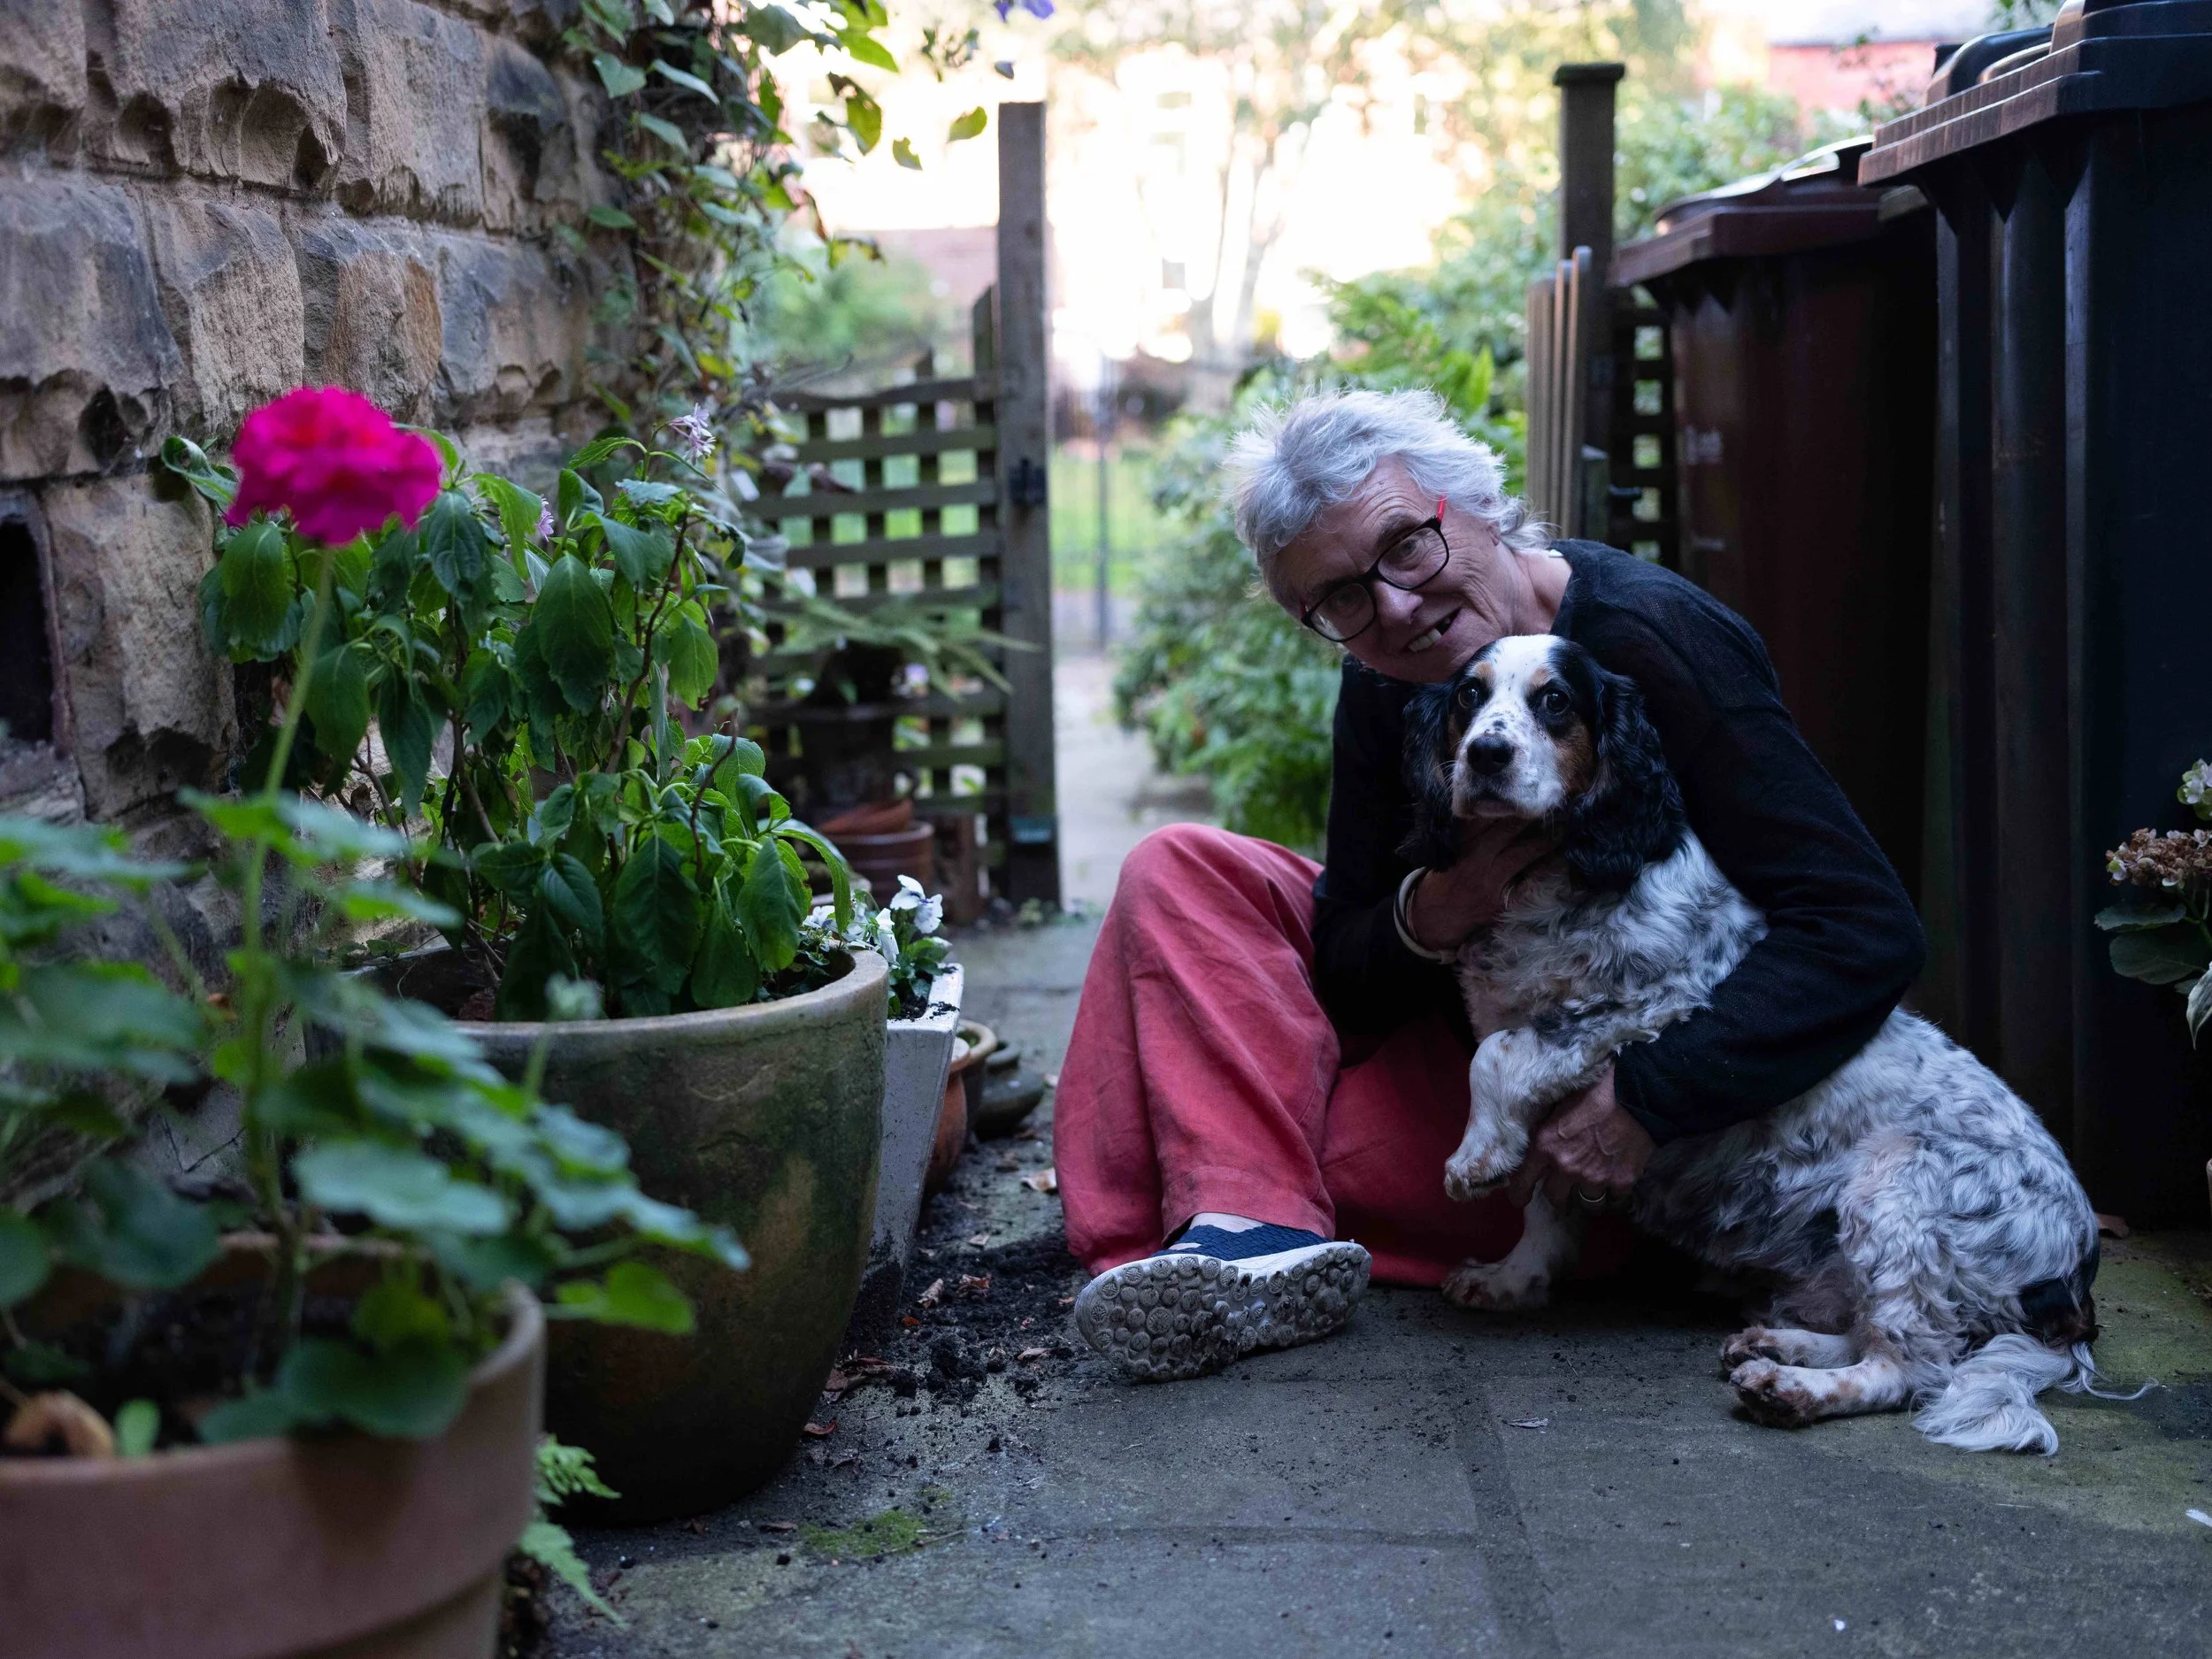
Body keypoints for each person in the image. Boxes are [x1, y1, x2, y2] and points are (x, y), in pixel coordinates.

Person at [1057, 388, 1925, 1381]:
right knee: (1177, 864)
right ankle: (1247, 1234)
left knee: (1213, 1119)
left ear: (1473, 504)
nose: (1392, 607)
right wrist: (1437, 910)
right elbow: (1347, 956)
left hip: (1608, 1147)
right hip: (1476, 1040)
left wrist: (1645, 1101)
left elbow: (1860, 927)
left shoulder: (1653, 641)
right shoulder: (1386, 673)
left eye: (1404, 547)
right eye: (1338, 598)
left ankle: (1226, 1217)